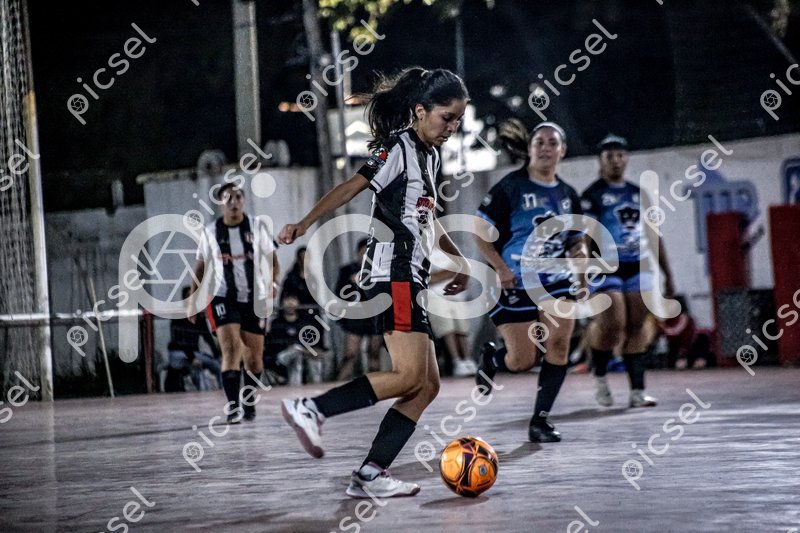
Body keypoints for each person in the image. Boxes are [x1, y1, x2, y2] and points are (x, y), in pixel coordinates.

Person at [278, 67, 471, 499]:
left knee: (427, 385)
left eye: (458, 120)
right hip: (392, 273)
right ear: (419, 111)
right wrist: (304, 223)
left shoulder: (431, 157)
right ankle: (311, 408)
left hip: (412, 277)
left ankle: (370, 473)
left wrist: (456, 259)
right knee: (408, 376)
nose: (452, 127)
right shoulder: (397, 148)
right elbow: (352, 186)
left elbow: (427, 216)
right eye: (446, 117)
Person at [474, 119, 585, 443]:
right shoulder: (511, 187)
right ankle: (493, 359)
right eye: (540, 142)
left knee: (559, 345)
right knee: (523, 361)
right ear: (530, 149)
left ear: (562, 151)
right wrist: (499, 268)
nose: (546, 148)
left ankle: (540, 421)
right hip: (515, 279)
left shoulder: (568, 195)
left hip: (556, 280)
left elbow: (575, 241)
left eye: (553, 143)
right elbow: (480, 232)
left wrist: (581, 272)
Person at [580, 134, 675, 408]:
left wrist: (668, 274)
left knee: (637, 325)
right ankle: (599, 375)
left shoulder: (638, 193)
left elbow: (654, 234)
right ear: (600, 160)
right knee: (614, 324)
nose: (616, 161)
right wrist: (582, 277)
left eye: (620, 155)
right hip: (605, 267)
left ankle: (637, 391)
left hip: (637, 265)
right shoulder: (592, 195)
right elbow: (585, 239)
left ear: (627, 158)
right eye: (609, 156)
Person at [189, 182, 280, 423]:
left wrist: (273, 283)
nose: (234, 202)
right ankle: (232, 407)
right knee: (230, 351)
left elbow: (273, 261)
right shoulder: (211, 232)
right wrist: (192, 300)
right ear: (221, 203)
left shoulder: (257, 227)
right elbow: (200, 268)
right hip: (223, 297)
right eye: (228, 198)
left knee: (254, 359)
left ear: (244, 201)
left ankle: (248, 403)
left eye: (238, 197)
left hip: (254, 298)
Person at [334, 238, 383, 380]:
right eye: (363, 253)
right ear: (357, 254)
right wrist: (350, 282)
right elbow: (338, 293)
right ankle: (341, 384)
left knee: (374, 353)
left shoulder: (380, 271)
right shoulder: (347, 270)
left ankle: (377, 385)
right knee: (350, 354)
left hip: (375, 316)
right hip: (355, 316)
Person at [427, 246, 476, 377]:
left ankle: (468, 359)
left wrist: (446, 273)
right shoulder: (423, 252)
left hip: (456, 295)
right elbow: (428, 277)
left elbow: (460, 269)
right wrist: (449, 273)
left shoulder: (449, 249)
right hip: (435, 296)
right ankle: (457, 361)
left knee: (462, 329)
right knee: (447, 329)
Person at [167, 287, 222, 391]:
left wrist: (217, 355)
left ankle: (223, 390)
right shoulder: (178, 316)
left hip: (193, 353)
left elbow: (208, 338)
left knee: (217, 365)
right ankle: (197, 391)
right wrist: (192, 358)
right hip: (178, 352)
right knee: (195, 368)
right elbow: (180, 341)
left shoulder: (200, 317)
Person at [264, 292, 322, 386]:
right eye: (287, 299)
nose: (290, 303)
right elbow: (274, 346)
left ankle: (315, 387)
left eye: (293, 299)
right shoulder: (277, 323)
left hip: (301, 354)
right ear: (282, 302)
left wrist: (302, 351)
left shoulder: (304, 323)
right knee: (295, 353)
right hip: (281, 357)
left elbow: (311, 346)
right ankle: (292, 385)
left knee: (307, 357)